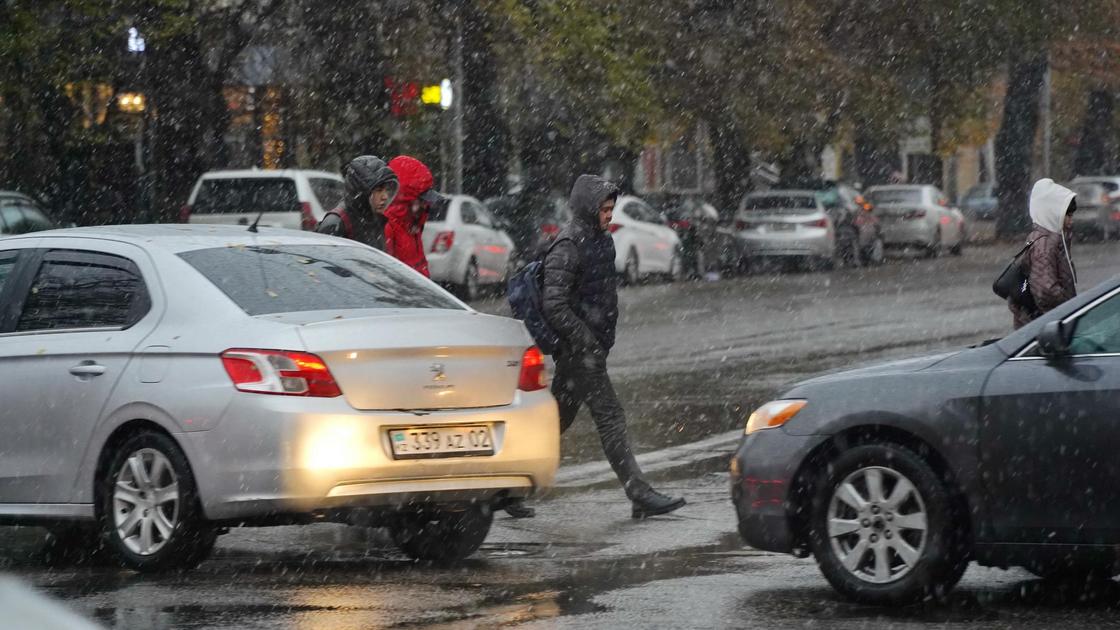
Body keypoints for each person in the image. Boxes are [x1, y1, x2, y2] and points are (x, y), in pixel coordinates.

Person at [532, 173, 687, 519]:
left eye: (611, 209)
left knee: (553, 421)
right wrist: (585, 340)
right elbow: (554, 303)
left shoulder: (601, 240)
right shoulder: (569, 244)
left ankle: (505, 488)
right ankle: (639, 492)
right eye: (604, 209)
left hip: (589, 349)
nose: (609, 215)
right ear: (588, 209)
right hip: (580, 352)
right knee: (610, 417)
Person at [1010, 178, 1078, 329]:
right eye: (1068, 216)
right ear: (1053, 212)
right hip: (1044, 329)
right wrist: (1071, 307)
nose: (1070, 221)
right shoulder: (1045, 244)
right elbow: (1045, 290)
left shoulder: (1052, 240)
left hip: (1045, 326)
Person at [316, 155, 398, 250]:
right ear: (362, 192)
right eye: (379, 190)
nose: (385, 196)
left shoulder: (376, 219)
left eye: (387, 190)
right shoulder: (337, 223)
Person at [383, 155, 447, 277]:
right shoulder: (388, 228)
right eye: (421, 199)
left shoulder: (412, 227)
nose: (425, 205)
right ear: (405, 199)